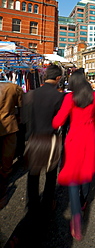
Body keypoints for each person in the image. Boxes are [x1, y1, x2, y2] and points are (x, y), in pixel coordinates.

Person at [52, 70, 95, 241]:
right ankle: (84, 201)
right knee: (87, 171)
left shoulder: (69, 98)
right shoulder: (94, 97)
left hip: (74, 139)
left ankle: (76, 218)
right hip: (90, 137)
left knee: (73, 177)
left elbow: (58, 121)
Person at [23, 64, 64, 217]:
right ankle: (47, 203)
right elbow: (61, 120)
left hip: (34, 138)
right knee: (50, 174)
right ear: (58, 78)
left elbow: (25, 118)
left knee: (33, 174)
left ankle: (32, 206)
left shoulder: (31, 94)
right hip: (50, 139)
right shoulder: (59, 96)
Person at [0, 77, 23, 209]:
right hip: (9, 125)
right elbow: (20, 105)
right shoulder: (13, 87)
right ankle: (5, 176)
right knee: (8, 154)